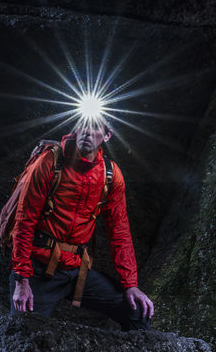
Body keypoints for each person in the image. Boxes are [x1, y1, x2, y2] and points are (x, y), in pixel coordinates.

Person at [9, 120, 155, 330]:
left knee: (137, 312)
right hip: (37, 270)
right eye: (83, 125)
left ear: (107, 135)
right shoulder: (49, 162)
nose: (87, 131)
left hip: (76, 269)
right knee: (22, 332)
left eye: (96, 127)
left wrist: (131, 285)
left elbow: (120, 233)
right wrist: (22, 280)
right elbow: (23, 221)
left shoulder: (111, 175)